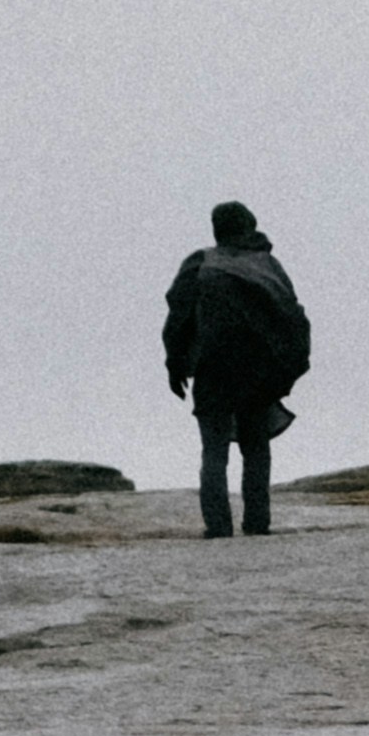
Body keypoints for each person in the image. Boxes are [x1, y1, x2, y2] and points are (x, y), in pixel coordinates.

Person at [159, 201, 312, 538]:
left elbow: (178, 318)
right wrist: (287, 367)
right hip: (258, 372)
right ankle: (258, 523)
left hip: (213, 368)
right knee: (256, 448)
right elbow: (293, 317)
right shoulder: (268, 265)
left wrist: (175, 365)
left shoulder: (200, 262)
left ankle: (217, 526)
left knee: (213, 450)